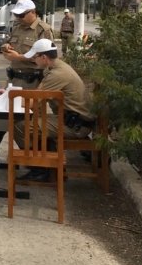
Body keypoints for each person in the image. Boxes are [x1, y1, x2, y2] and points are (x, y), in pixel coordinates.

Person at [0, 0, 54, 164]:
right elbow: (8, 43)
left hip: (32, 81)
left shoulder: (43, 30)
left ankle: (35, 160)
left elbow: (47, 58)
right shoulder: (17, 27)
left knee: (28, 120)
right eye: (17, 15)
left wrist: (18, 57)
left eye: (22, 15)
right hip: (14, 78)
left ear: (33, 12)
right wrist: (5, 47)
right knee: (3, 113)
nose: (19, 18)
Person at [14, 38, 96, 182]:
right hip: (72, 120)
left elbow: (32, 102)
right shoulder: (57, 68)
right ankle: (44, 163)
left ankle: (40, 169)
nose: (33, 60)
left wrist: (9, 98)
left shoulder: (57, 75)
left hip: (75, 125)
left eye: (35, 57)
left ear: (44, 57)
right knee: (32, 121)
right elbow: (37, 96)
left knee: (21, 127)